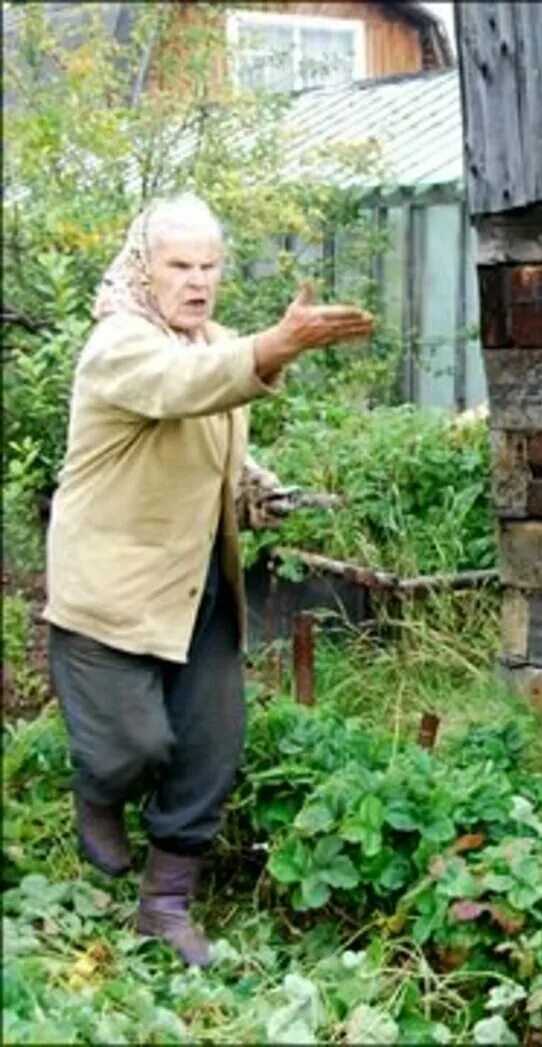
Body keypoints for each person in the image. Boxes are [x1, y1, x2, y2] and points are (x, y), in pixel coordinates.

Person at [43, 194, 374, 967]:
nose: (197, 282)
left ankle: (164, 906)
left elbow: (214, 433)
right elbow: (182, 387)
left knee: (210, 743)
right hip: (111, 587)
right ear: (144, 268)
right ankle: (99, 785)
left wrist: (260, 490)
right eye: (179, 265)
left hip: (196, 580)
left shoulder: (217, 342)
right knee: (132, 744)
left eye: (208, 266)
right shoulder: (119, 345)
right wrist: (278, 344)